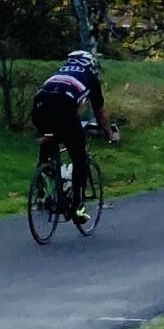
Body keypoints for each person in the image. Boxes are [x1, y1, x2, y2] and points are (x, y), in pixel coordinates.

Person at [29, 49, 116, 222]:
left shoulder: (60, 72)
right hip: (64, 107)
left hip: (39, 106)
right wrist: (109, 133)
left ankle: (41, 185)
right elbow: (99, 113)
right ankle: (78, 206)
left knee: (50, 138)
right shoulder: (90, 76)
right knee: (79, 158)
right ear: (90, 64)